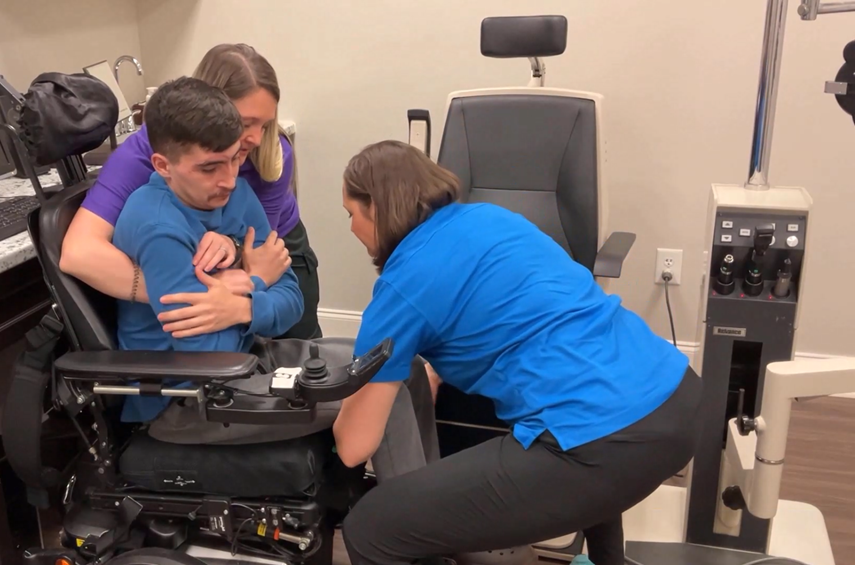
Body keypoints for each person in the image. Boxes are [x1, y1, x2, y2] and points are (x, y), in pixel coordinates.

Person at [331, 140, 703, 565]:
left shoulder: (399, 288)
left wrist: (341, 405)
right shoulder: (490, 219)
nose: (351, 228)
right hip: (676, 401)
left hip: (601, 446)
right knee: (593, 414)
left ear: (376, 208)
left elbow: (353, 447)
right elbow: (506, 314)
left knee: (370, 528)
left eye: (351, 214)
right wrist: (433, 370)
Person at [111, 78, 434, 483]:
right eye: (209, 168)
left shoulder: (236, 195)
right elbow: (209, 356)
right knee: (381, 398)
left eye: (232, 160)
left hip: (250, 359)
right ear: (163, 165)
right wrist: (254, 277)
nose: (228, 178)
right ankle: (411, 538)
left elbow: (291, 299)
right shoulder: (159, 227)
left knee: (404, 364)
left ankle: (432, 506)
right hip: (190, 398)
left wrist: (245, 301)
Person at [60, 43, 322, 341]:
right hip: (211, 298)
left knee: (305, 352)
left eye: (266, 124)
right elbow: (78, 253)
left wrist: (236, 268)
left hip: (282, 249)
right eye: (246, 123)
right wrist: (186, 293)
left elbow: (258, 253)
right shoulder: (146, 160)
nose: (257, 139)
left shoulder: (272, 155)